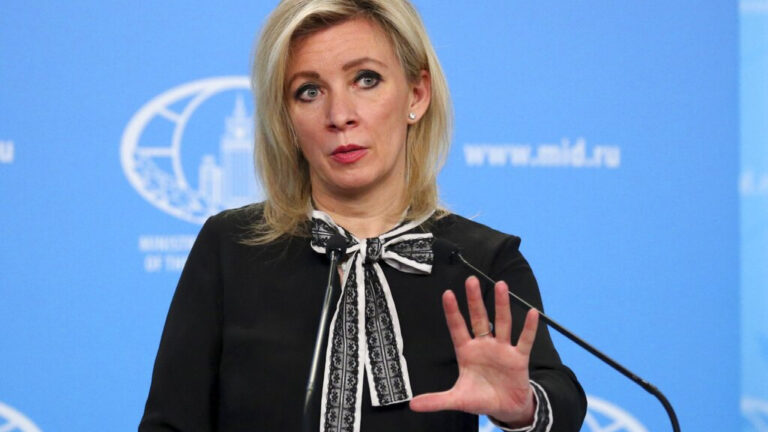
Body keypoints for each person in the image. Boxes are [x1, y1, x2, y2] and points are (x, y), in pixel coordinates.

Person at [139, 1, 587, 431]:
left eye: (366, 79)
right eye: (309, 91)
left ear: (417, 94)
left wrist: (523, 408)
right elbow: (169, 423)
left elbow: (560, 397)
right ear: (287, 120)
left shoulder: (479, 259)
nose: (339, 116)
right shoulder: (230, 246)